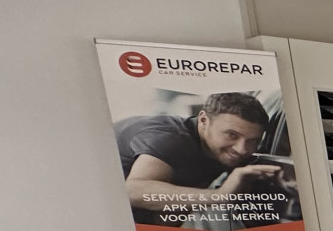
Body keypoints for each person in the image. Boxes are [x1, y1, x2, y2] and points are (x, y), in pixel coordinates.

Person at [118, 93, 283, 222]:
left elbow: (164, 217)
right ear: (204, 120)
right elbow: (133, 191)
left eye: (254, 141)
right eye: (232, 135)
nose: (242, 150)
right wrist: (220, 196)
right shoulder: (169, 140)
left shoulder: (219, 149)